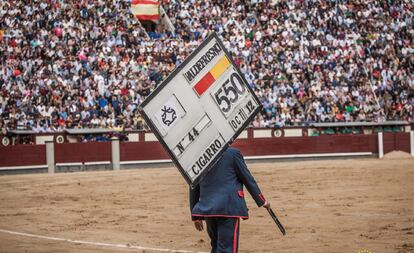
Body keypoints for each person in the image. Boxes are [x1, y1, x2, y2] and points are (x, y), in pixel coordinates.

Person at [189, 147, 270, 253]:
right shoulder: (233, 154)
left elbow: (193, 185)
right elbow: (247, 179)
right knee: (227, 248)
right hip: (228, 207)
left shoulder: (199, 156)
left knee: (215, 246)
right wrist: (262, 201)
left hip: (208, 208)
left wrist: (195, 215)